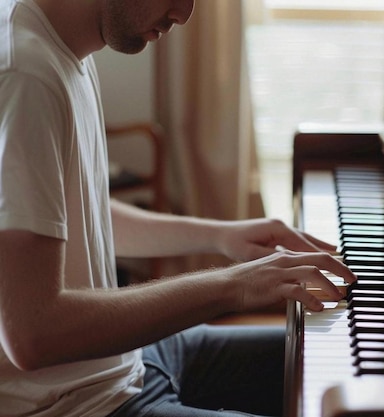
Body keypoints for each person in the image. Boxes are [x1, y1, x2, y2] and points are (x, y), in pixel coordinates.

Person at [0, 0, 356, 416]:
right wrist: (234, 285)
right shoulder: (26, 75)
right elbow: (34, 334)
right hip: (76, 404)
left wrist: (219, 235)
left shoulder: (67, 44)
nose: (184, 13)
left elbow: (78, 214)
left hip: (129, 361)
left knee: (349, 365)